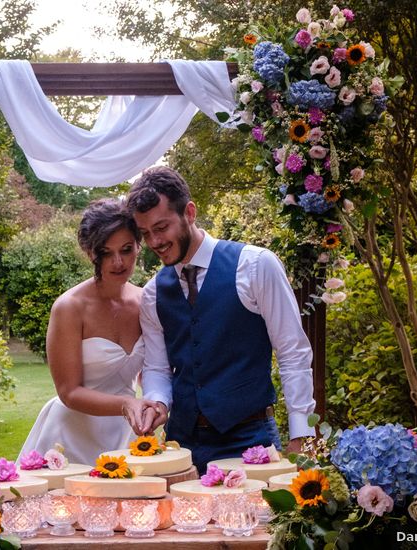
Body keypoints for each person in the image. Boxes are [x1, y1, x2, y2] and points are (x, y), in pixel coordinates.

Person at [126, 166, 316, 473]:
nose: (154, 242)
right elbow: (158, 368)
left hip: (250, 440)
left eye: (161, 228)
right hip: (180, 447)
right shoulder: (152, 294)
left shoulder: (255, 266)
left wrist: (302, 434)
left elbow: (293, 352)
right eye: (145, 233)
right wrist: (158, 403)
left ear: (189, 212)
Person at [17, 199, 160, 466]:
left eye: (126, 249)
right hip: (70, 435)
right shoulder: (69, 307)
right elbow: (68, 391)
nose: (118, 262)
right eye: (105, 253)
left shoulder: (146, 301)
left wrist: (152, 405)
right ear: (89, 252)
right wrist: (124, 404)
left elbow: (152, 372)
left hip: (126, 432)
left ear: (139, 246)